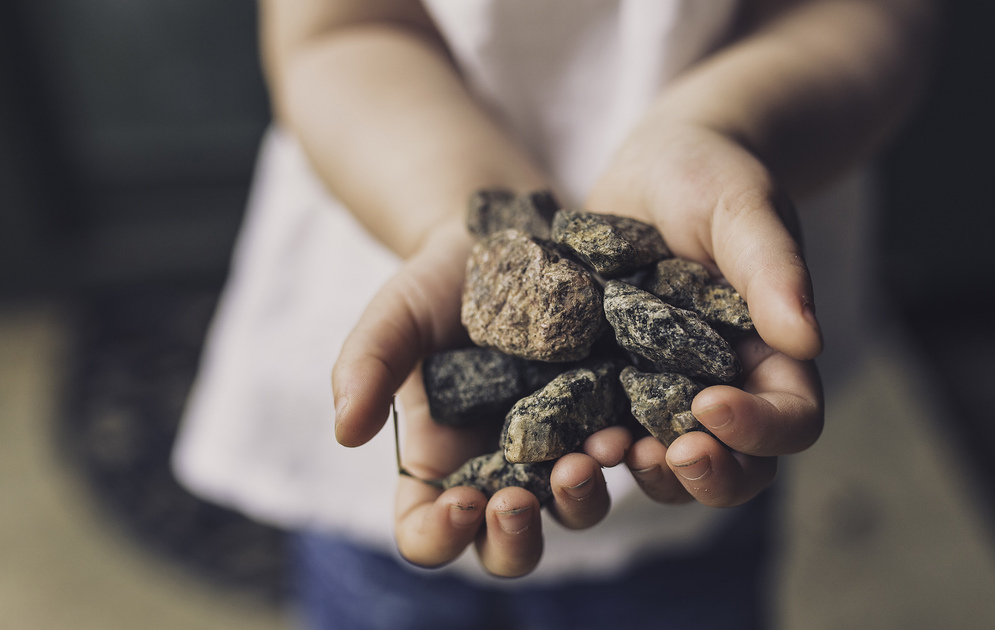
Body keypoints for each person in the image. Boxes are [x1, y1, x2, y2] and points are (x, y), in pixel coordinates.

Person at [173, 0, 938, 628]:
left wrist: (720, 126)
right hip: (393, 256)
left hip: (697, 459)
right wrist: (458, 208)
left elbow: (868, 15)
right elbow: (337, 29)